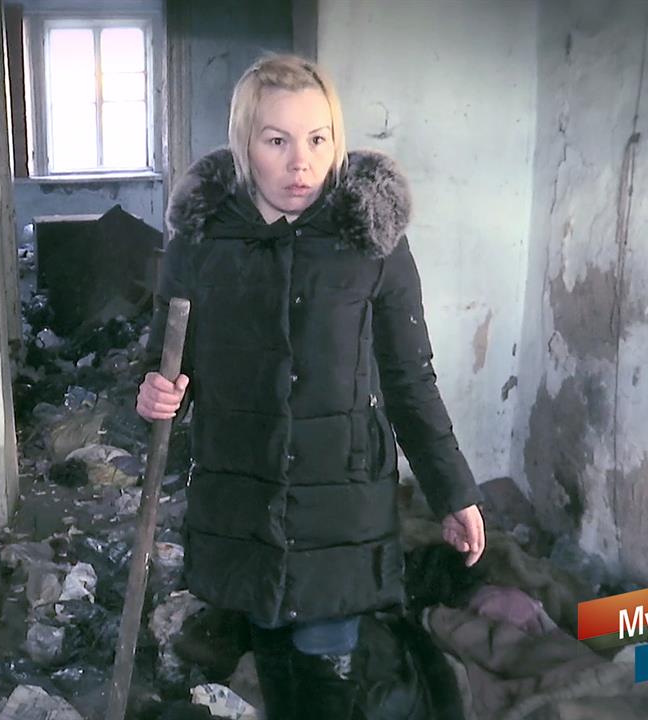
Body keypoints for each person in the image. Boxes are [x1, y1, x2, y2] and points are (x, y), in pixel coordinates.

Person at [136, 53, 485, 719]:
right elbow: (166, 361)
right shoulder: (201, 243)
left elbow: (410, 379)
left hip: (340, 495)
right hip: (244, 488)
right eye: (278, 141)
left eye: (318, 139)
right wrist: (154, 394)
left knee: (327, 662)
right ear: (244, 145)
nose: (302, 163)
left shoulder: (372, 242)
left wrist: (453, 491)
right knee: (272, 644)